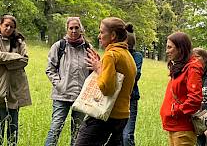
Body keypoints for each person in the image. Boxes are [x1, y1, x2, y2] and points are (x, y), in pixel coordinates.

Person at [73, 17, 137, 146]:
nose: (99, 36)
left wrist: (98, 68)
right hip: (122, 116)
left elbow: (107, 88)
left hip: (105, 115)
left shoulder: (111, 55)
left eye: (102, 32)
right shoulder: (127, 55)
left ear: (113, 35)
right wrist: (101, 66)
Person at [0, 15, 32, 146]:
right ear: (0, 25)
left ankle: (12, 144)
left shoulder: (19, 41)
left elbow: (25, 60)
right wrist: (16, 57)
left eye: (11, 27)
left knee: (14, 121)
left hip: (15, 84)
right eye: (6, 25)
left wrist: (5, 61)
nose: (8, 28)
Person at [44, 17, 92, 146]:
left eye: (76, 28)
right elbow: (50, 69)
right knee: (55, 128)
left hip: (81, 97)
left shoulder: (88, 48)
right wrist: (59, 84)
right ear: (67, 29)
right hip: (61, 95)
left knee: (78, 132)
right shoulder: (59, 46)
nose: (74, 30)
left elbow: (93, 71)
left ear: (81, 29)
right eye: (71, 28)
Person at [160, 32, 203, 146]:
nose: (167, 51)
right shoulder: (180, 67)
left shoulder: (192, 68)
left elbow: (195, 99)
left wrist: (176, 111)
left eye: (170, 47)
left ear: (180, 48)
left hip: (183, 127)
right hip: (174, 125)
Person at [122, 23, 143, 146]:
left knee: (127, 136)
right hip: (116, 99)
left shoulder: (137, 56)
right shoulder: (115, 54)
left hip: (131, 98)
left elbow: (135, 75)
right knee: (117, 136)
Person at [192, 48, 207, 146]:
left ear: (205, 59)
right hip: (196, 116)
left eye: (197, 57)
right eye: (192, 57)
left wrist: (205, 126)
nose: (194, 59)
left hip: (206, 118)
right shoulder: (196, 73)